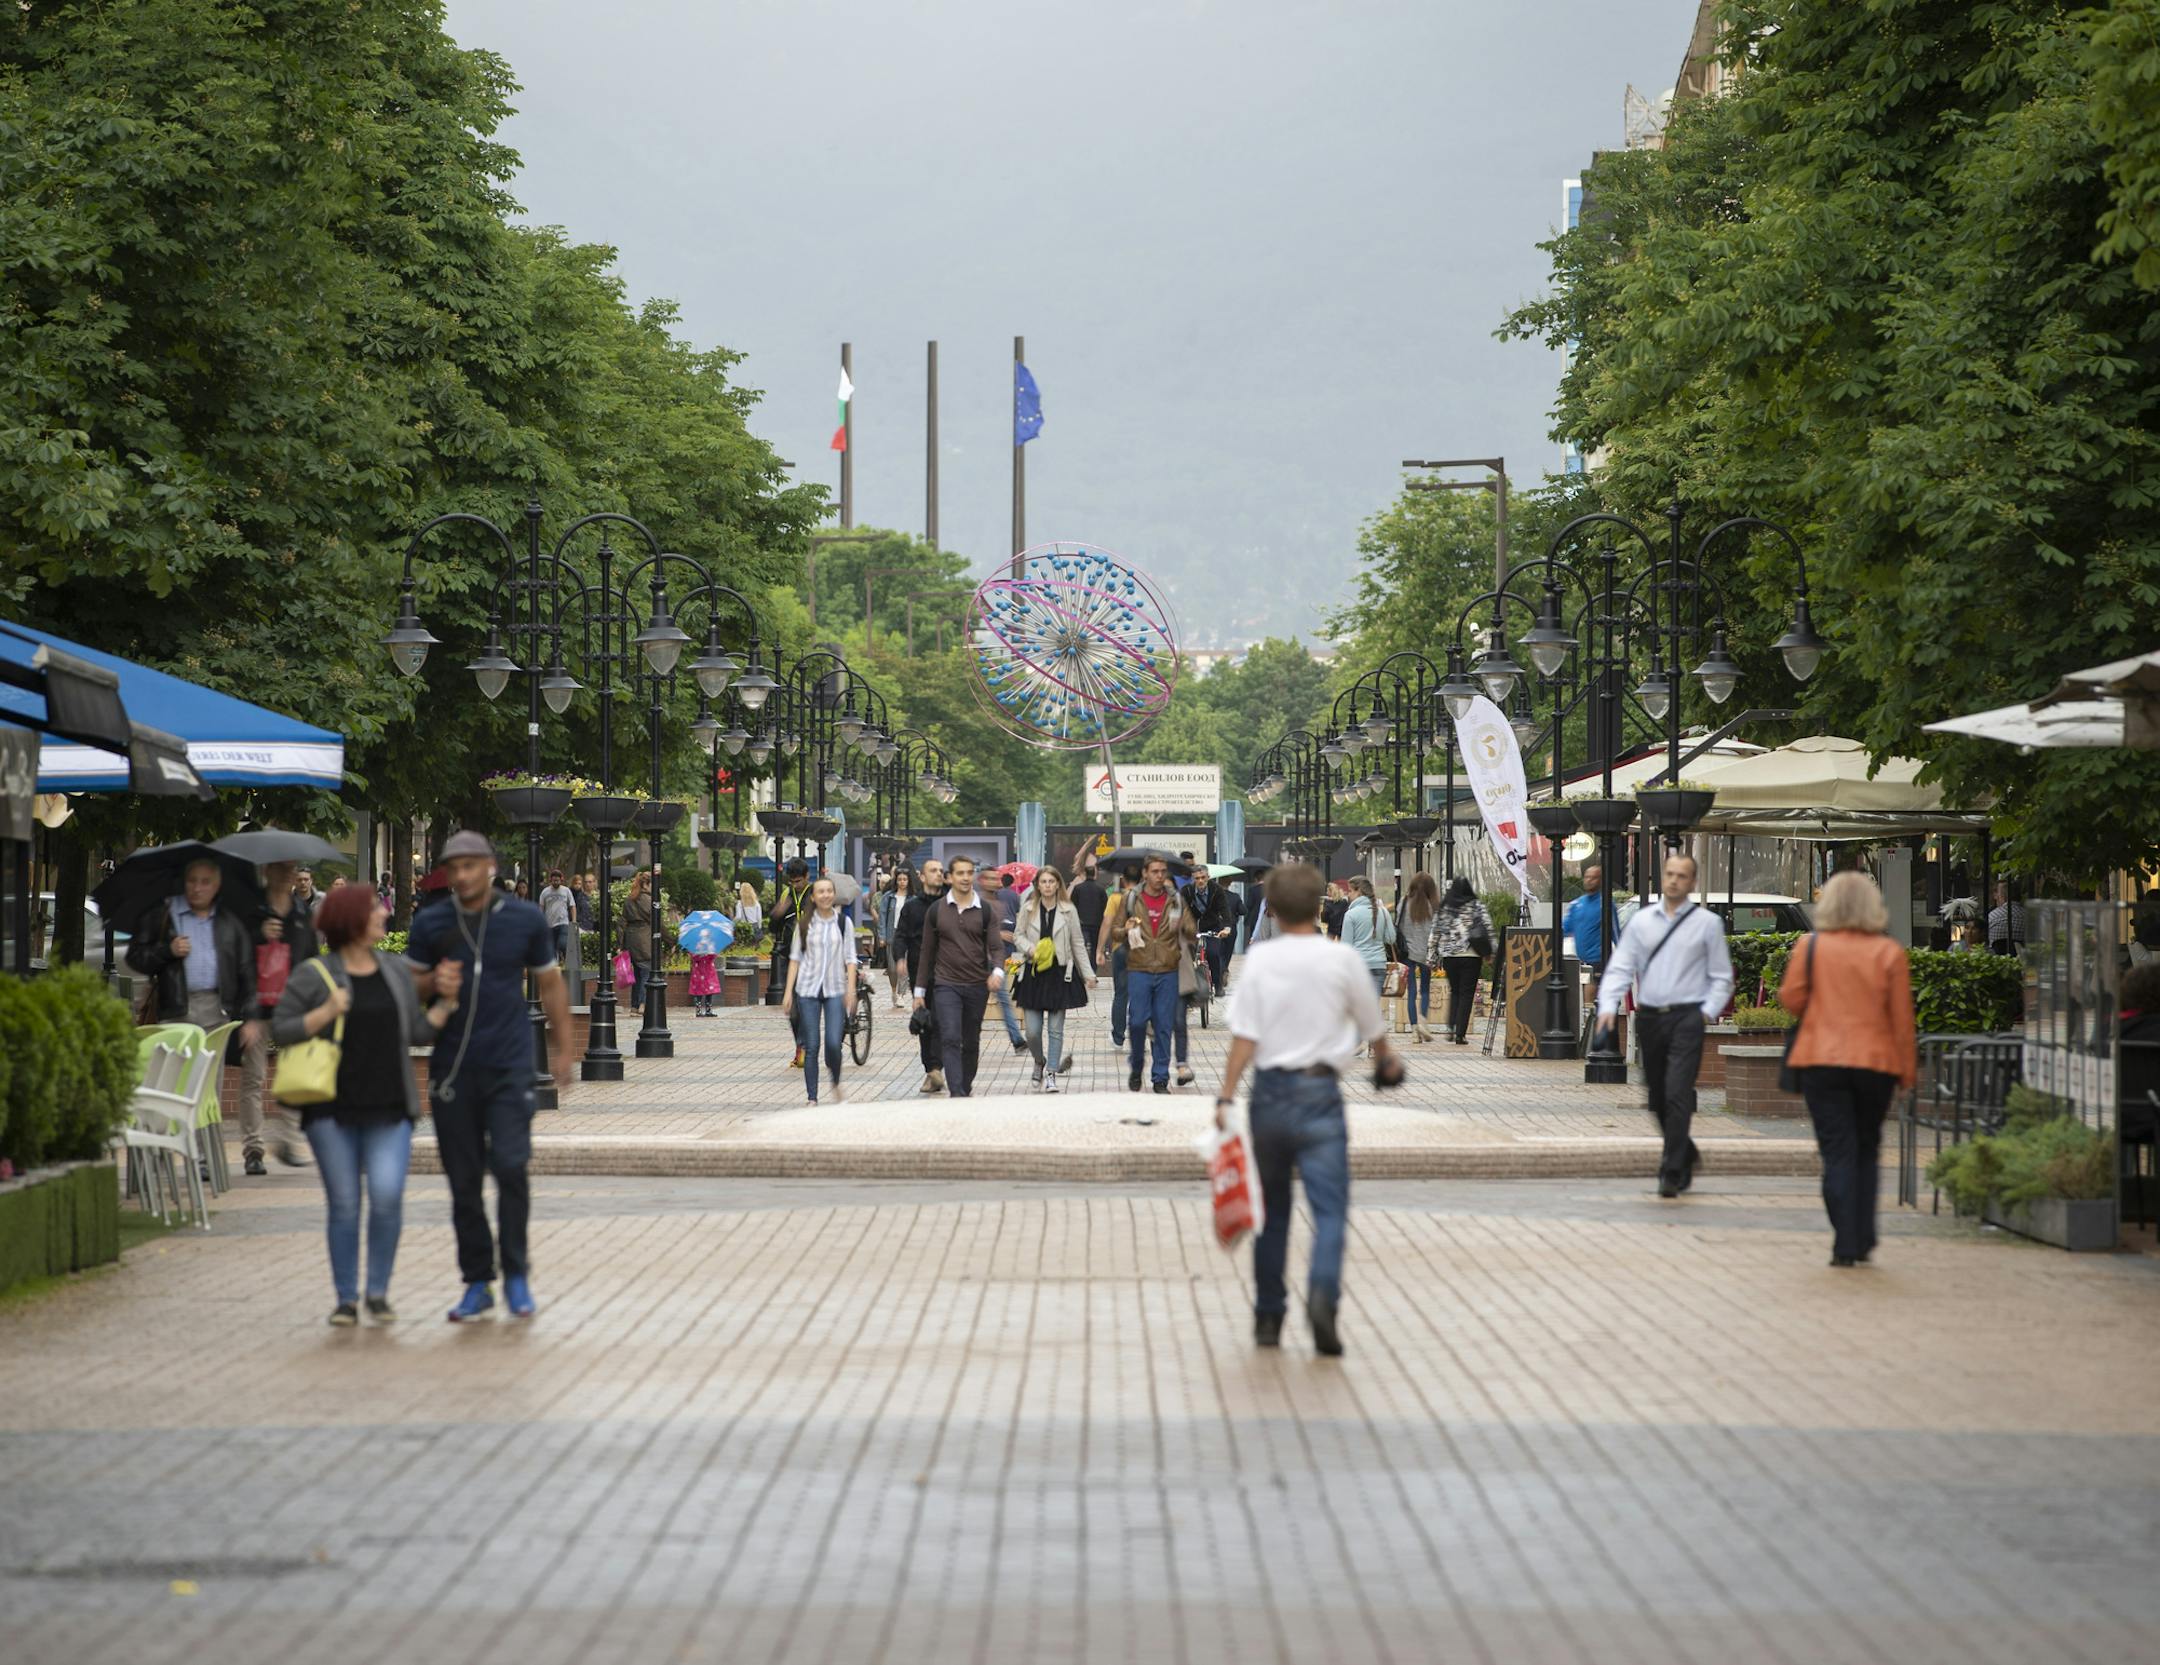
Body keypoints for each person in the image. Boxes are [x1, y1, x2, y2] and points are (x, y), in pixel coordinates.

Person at [1215, 860, 1399, 1357]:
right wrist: (1387, 1064)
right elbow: (1374, 1030)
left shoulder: (1261, 962)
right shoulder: (1342, 962)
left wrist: (1226, 1095)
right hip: (1321, 1096)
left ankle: (1269, 1316)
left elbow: (1244, 1035)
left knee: (1272, 1211)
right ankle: (1322, 1292)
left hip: (1270, 1097)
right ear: (1320, 904)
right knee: (1331, 1207)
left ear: (1270, 908)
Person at [404, 830, 574, 1322]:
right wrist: (432, 981)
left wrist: (563, 1052)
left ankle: (516, 1275)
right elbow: (410, 983)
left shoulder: (523, 918)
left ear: (490, 867)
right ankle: (478, 1281)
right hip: (454, 1066)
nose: (461, 875)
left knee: (510, 1168)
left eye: (470, 866)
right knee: (462, 1180)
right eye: (453, 867)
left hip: (510, 1065)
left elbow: (550, 983)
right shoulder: (432, 920)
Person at [271, 883, 457, 1325]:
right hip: (330, 1110)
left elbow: (415, 1031)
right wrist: (325, 1012)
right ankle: (346, 1299)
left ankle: (377, 1291)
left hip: (390, 1108)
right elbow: (281, 1028)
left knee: (388, 1197)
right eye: (376, 909)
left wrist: (446, 1003)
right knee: (345, 1203)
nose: (384, 915)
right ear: (352, 919)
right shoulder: (314, 974)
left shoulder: (393, 971)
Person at [1776, 871, 1917, 1267]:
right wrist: (1907, 1074)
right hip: (1875, 1063)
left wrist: (1823, 1012)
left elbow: (1791, 998)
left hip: (1822, 1059)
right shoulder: (1889, 952)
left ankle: (1845, 1241)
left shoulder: (1811, 947)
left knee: (1837, 1150)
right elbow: (1903, 1022)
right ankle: (1863, 1236)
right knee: (1867, 1148)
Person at [1595, 851, 1734, 1199]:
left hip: (1688, 1016)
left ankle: (1671, 1169)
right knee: (1657, 1095)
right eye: (1669, 874)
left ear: (1693, 882)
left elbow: (1721, 976)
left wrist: (1706, 1011)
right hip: (1651, 1017)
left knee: (1677, 1091)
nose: (1674, 880)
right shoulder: (1642, 922)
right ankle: (1684, 1150)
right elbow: (1621, 965)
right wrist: (1608, 1005)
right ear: (1663, 877)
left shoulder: (1707, 924)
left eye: (1682, 875)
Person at [125, 858, 268, 1170]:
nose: (198, 887)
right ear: (184, 882)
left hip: (216, 1011)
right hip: (176, 1009)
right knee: (171, 1084)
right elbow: (136, 956)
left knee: (207, 1091)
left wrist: (252, 1017)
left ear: (216, 886)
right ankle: (161, 1152)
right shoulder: (164, 914)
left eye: (205, 881)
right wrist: (168, 951)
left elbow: (247, 972)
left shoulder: (229, 922)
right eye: (193, 880)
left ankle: (204, 1159)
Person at [243, 859, 323, 1170]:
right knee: (254, 1077)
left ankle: (290, 1140)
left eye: (290, 869)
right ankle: (253, 1150)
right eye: (280, 868)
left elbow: (311, 958)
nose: (287, 874)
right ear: (267, 871)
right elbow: (237, 956)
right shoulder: (253, 909)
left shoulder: (302, 911)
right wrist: (260, 934)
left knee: (296, 1074)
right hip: (258, 1005)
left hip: (292, 1005)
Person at [1098, 855, 1196, 1094]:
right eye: (1154, 871)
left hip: (1167, 969)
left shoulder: (1175, 899)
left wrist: (1182, 926)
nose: (1159, 875)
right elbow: (1116, 932)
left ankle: (1160, 1077)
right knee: (1138, 1021)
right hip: (1139, 968)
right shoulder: (1131, 898)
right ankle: (1137, 1065)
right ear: (1145, 873)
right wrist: (1126, 928)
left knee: (1164, 1025)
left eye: (1163, 871)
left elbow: (1193, 931)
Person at [913, 855, 1001, 1096]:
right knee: (950, 1036)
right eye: (960, 873)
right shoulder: (936, 910)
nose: (965, 878)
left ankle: (964, 1085)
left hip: (976, 985)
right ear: (949, 878)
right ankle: (957, 1093)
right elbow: (927, 953)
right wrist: (919, 991)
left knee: (970, 1042)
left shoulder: (984, 910)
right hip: (945, 984)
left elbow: (996, 946)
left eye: (969, 873)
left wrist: (998, 970)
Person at [1013, 866, 1096, 1092]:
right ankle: (1038, 1061)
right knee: (1032, 1030)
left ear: (1058, 884)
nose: (1048, 885)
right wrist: (1030, 949)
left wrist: (1088, 974)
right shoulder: (1028, 908)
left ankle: (1051, 1073)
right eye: (1044, 881)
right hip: (1033, 973)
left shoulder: (1069, 910)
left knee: (1056, 1030)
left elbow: (1077, 943)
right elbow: (1017, 935)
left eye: (1052, 881)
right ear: (1037, 885)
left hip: (1060, 974)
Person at [782, 875, 857, 1104]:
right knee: (811, 1046)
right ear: (813, 897)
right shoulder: (804, 924)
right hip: (807, 991)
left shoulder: (843, 923)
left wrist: (851, 989)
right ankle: (812, 1097)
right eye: (820, 892)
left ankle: (835, 1082)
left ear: (833, 895)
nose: (825, 895)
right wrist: (787, 993)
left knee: (834, 1043)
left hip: (834, 990)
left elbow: (851, 958)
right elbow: (795, 959)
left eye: (829, 891)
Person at [896, 858, 946, 1093]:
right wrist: (900, 958)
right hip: (920, 973)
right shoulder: (912, 907)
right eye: (933, 870)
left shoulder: (950, 903)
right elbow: (901, 936)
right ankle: (932, 1068)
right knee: (925, 1021)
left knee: (943, 1020)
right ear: (923, 877)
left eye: (941, 870)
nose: (939, 874)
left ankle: (937, 1067)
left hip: (948, 971)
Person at [1432, 877, 1496, 1046]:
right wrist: (1491, 952)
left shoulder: (1444, 908)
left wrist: (1431, 956)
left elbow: (1435, 932)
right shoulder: (1476, 906)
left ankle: (1451, 1026)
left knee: (1455, 991)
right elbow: (1487, 929)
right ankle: (1461, 1033)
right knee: (1467, 994)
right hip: (1471, 956)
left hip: (1449, 956)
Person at [979, 869, 1029, 1054]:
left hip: (995, 961)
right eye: (990, 879)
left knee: (1004, 1001)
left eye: (996, 879)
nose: (994, 882)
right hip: (976, 962)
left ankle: (1017, 1040)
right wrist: (999, 934)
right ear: (982, 881)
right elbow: (974, 932)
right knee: (973, 1003)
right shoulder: (977, 903)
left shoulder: (998, 904)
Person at [1397, 872, 1442, 1043]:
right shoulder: (1434, 905)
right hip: (1427, 953)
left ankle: (1415, 1030)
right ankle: (1423, 1019)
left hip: (1408, 952)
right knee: (1425, 990)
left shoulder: (1404, 902)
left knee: (1411, 991)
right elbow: (1437, 930)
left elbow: (1398, 926)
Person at [1338, 875, 1394, 998]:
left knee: (1360, 1008)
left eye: (1351, 891)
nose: (1349, 895)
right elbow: (1391, 938)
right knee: (1373, 1006)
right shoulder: (1383, 911)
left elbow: (1346, 946)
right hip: (1379, 964)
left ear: (1359, 892)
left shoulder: (1350, 915)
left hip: (1358, 966)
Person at [1188, 866, 1237, 996]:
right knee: (1186, 954)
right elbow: (1181, 910)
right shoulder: (1187, 890)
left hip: (1213, 926)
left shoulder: (1217, 889)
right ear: (1193, 879)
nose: (1200, 881)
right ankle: (1187, 987)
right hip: (1192, 927)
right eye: (1197, 878)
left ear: (1208, 877)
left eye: (1203, 877)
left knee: (1214, 953)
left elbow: (1225, 910)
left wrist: (1227, 927)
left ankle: (1218, 984)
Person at [1563, 864, 1609, 1003]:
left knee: (1590, 991)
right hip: (1578, 959)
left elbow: (1615, 932)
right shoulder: (1576, 905)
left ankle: (1590, 1017)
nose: (1589, 880)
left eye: (1594, 878)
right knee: (1580, 996)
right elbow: (1564, 928)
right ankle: (1586, 1018)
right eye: (1587, 877)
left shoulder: (1605, 904)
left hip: (1597, 958)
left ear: (1600, 880)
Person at [619, 869, 658, 1014]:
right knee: (646, 973)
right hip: (644, 939)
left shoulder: (629, 899)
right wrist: (671, 940)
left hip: (631, 939)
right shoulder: (649, 900)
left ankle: (634, 1006)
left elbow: (622, 923)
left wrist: (621, 945)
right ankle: (642, 1004)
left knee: (636, 974)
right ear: (647, 884)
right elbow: (657, 922)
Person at [878, 866, 915, 1009]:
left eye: (905, 879)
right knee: (892, 968)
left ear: (909, 881)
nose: (902, 882)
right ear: (896, 880)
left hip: (907, 934)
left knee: (904, 967)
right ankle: (894, 990)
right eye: (899, 879)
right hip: (891, 933)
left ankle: (901, 995)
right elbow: (882, 917)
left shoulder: (913, 898)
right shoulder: (888, 897)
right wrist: (881, 935)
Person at [1070, 858, 1108, 974]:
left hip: (1081, 923)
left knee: (1081, 947)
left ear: (1085, 874)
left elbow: (1073, 905)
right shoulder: (1101, 889)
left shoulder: (1078, 888)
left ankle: (1082, 970)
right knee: (1095, 947)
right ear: (1095, 874)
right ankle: (1093, 970)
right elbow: (1104, 906)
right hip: (1096, 923)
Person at [539, 869, 575, 964]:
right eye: (554, 880)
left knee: (563, 944)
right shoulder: (545, 892)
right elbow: (541, 907)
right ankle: (556, 964)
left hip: (563, 922)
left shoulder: (566, 891)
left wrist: (574, 920)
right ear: (550, 880)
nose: (556, 882)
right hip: (549, 924)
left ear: (561, 880)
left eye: (557, 880)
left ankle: (565, 958)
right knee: (552, 947)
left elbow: (572, 906)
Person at [1986, 881, 2028, 955]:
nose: (1995, 897)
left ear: (2002, 897)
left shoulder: (1992, 916)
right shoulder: (2029, 916)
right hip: (2022, 960)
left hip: (1996, 960)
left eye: (1996, 893)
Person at [732, 879, 764, 944]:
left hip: (744, 927)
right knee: (754, 946)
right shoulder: (756, 903)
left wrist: (733, 923)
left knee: (744, 945)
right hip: (755, 926)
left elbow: (738, 917)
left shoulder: (740, 903)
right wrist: (759, 927)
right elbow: (759, 918)